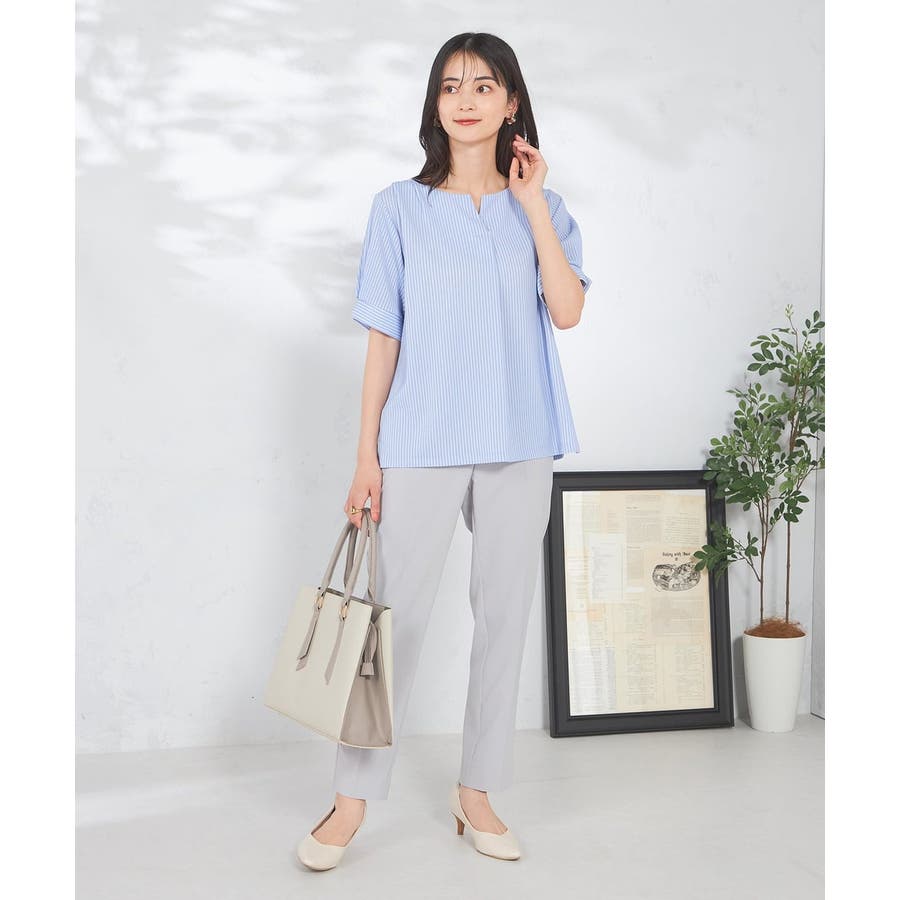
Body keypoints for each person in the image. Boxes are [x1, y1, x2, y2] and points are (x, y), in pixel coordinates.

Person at [298, 32, 591, 871]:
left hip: (521, 438)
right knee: (390, 624)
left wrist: (533, 207)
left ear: (512, 103)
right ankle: (351, 800)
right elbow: (383, 338)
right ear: (435, 103)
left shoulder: (547, 209)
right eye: (451, 85)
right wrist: (366, 456)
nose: (466, 98)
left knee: (504, 619)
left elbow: (566, 311)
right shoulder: (399, 207)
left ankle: (478, 792)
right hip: (420, 440)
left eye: (484, 85)